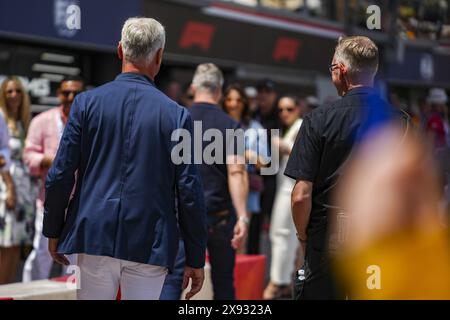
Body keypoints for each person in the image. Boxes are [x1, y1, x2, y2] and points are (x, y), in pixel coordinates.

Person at [42, 17, 207, 300]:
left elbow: (61, 173)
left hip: (93, 233)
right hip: (150, 239)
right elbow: (189, 190)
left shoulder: (85, 103)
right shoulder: (177, 115)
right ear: (159, 56)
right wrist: (195, 256)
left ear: (120, 50)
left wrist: (53, 228)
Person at [285, 36, 400, 299]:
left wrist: (303, 238)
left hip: (327, 242)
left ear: (341, 71)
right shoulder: (400, 122)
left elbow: (301, 195)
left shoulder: (317, 120)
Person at [177, 63, 249, 300]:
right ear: (219, 91)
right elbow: (236, 171)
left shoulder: (178, 119)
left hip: (180, 216)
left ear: (193, 87)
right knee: (224, 283)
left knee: (173, 280)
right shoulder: (230, 125)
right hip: (219, 217)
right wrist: (242, 216)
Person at [22, 75, 84, 282]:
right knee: (42, 252)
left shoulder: (90, 121)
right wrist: (48, 160)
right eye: (66, 92)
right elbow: (27, 155)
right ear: (59, 94)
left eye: (76, 93)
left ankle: (69, 294)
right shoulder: (42, 120)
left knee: (75, 257)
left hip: (79, 202)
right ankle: (30, 292)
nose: (71, 97)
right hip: (48, 199)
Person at [263, 95, 303, 299]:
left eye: (289, 109)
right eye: (280, 109)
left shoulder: (301, 125)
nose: (284, 113)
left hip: (291, 189)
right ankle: (285, 282)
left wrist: (283, 146)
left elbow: (304, 152)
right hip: (284, 187)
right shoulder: (290, 128)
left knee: (280, 235)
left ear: (298, 108)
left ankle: (277, 282)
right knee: (284, 236)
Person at [222, 84, 268, 255]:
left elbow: (265, 163)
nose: (233, 104)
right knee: (216, 239)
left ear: (245, 103)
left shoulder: (256, 128)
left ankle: (236, 280)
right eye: (229, 99)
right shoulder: (217, 123)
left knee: (240, 239)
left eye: (238, 100)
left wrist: (246, 154)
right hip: (218, 187)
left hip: (245, 187)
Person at [0, 77, 36, 284]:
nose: (14, 95)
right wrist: (10, 187)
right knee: (6, 244)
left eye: (18, 91)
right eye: (9, 92)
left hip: (25, 189)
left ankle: (7, 290)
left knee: (16, 244)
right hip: (6, 186)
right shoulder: (1, 118)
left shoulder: (24, 122)